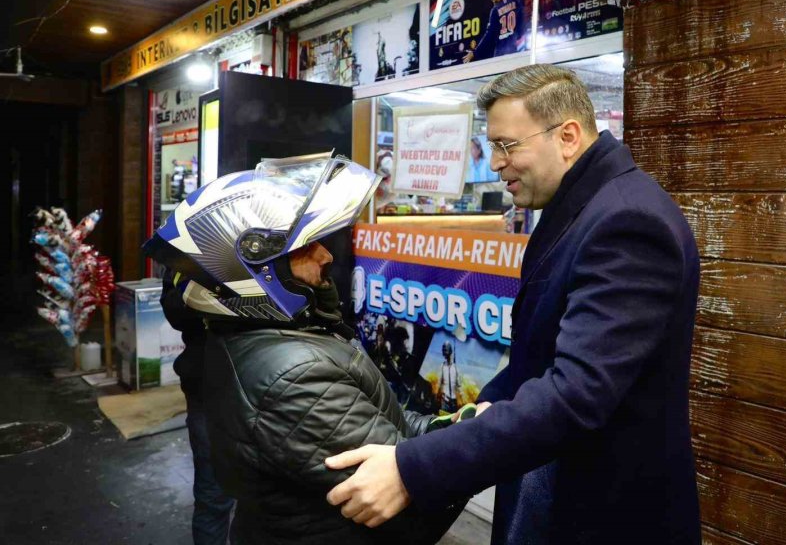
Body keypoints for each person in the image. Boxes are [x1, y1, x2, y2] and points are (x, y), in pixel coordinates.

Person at [324, 65, 702, 543]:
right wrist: (469, 417)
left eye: (507, 145)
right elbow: (536, 360)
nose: (496, 163)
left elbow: (574, 395)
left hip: (606, 514)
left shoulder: (627, 221)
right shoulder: (579, 205)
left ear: (567, 136)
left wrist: (412, 470)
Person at [143, 153, 465, 544]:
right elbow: (407, 503)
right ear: (256, 269)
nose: (327, 256)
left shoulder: (285, 337)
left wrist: (458, 426)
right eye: (307, 246)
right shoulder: (292, 372)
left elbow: (387, 420)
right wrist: (486, 444)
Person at [161, 270, 235, 544]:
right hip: (209, 385)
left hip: (270, 381)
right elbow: (173, 310)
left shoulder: (276, 236)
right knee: (213, 495)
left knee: (271, 498)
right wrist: (205, 286)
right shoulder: (188, 244)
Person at [462, 0, 525, 64]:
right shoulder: (515, 1)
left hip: (501, 54)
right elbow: (522, 24)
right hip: (516, 50)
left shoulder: (495, 10)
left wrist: (475, 53)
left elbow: (489, 35)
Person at [437, 341, 460, 413]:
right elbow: (439, 383)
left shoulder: (455, 367)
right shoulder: (442, 366)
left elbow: (459, 385)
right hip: (445, 399)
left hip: (454, 400)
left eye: (447, 350)